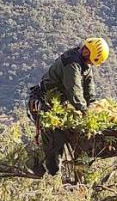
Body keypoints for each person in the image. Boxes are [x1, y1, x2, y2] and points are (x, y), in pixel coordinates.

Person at [29, 38, 110, 175]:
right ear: (86, 52)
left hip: (60, 105)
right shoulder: (72, 63)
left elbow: (89, 90)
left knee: (73, 137)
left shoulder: (85, 65)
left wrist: (94, 106)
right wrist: (84, 110)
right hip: (44, 103)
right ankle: (50, 173)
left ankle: (73, 174)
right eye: (89, 58)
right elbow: (75, 91)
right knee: (56, 139)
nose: (90, 63)